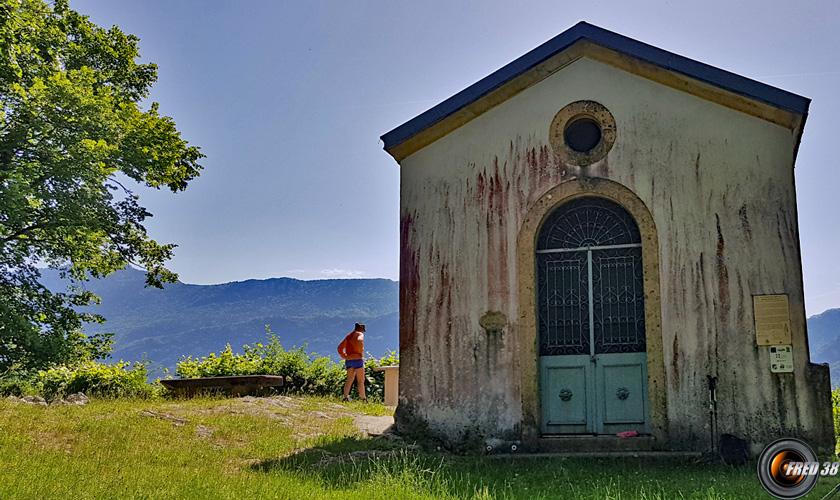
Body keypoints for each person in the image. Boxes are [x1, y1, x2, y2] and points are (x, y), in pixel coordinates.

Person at [337, 323, 366, 402]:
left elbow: (339, 348)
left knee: (349, 379)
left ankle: (345, 397)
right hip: (358, 360)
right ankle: (363, 399)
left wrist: (344, 356)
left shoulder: (348, 336)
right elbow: (360, 340)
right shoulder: (360, 334)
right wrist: (360, 351)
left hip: (349, 360)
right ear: (361, 329)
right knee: (360, 381)